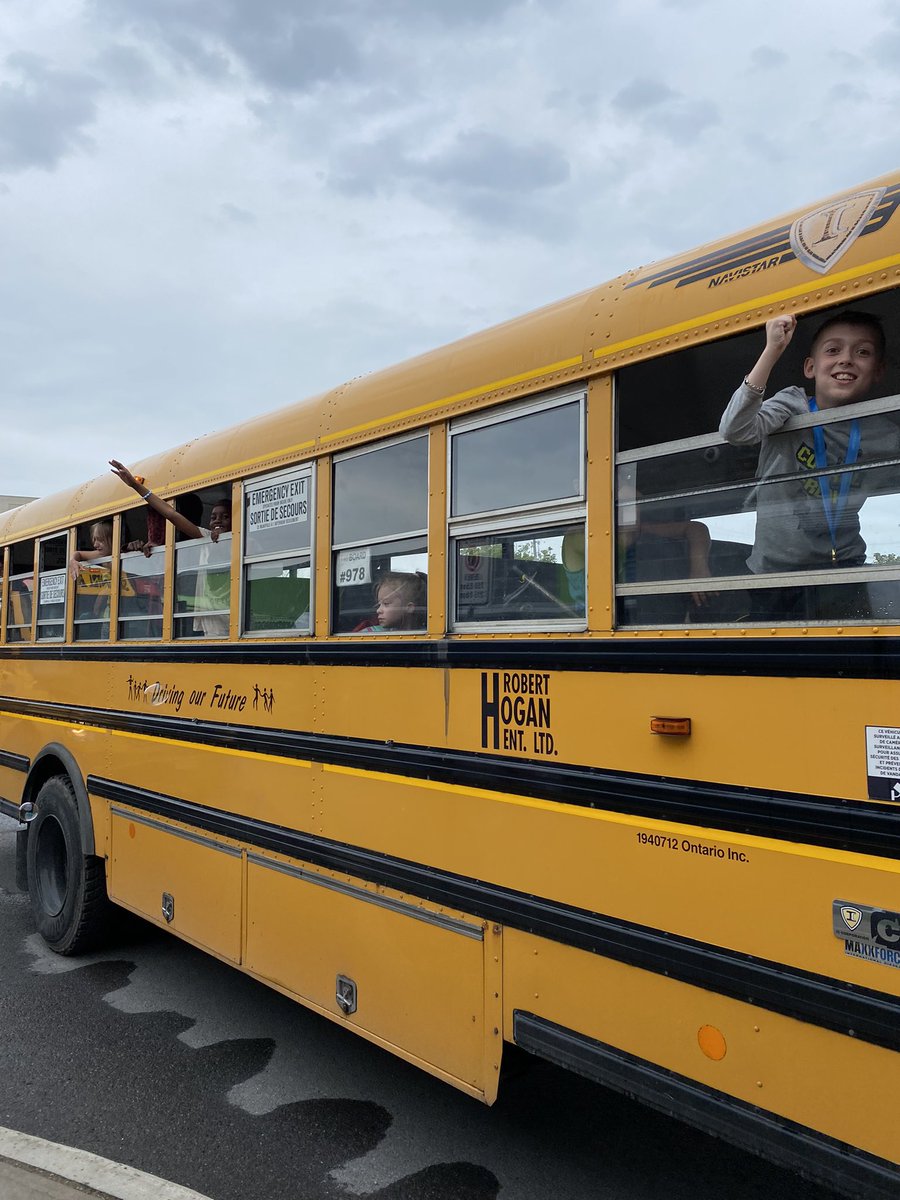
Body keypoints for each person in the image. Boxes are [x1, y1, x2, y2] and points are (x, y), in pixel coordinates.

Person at [719, 310, 899, 619]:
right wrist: (772, 350)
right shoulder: (792, 404)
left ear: (879, 370)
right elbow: (735, 429)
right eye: (833, 350)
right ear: (810, 367)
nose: (846, 359)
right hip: (778, 572)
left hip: (844, 567)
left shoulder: (883, 433)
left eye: (863, 352)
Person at [109, 459, 232, 635]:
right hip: (212, 620)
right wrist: (136, 487)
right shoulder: (205, 538)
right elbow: (171, 514)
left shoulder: (241, 540)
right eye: (213, 517)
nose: (218, 520)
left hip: (233, 618)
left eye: (225, 516)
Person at [357, 571, 426, 633]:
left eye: (386, 604)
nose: (378, 610)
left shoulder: (426, 634)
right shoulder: (369, 634)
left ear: (409, 608)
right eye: (379, 605)